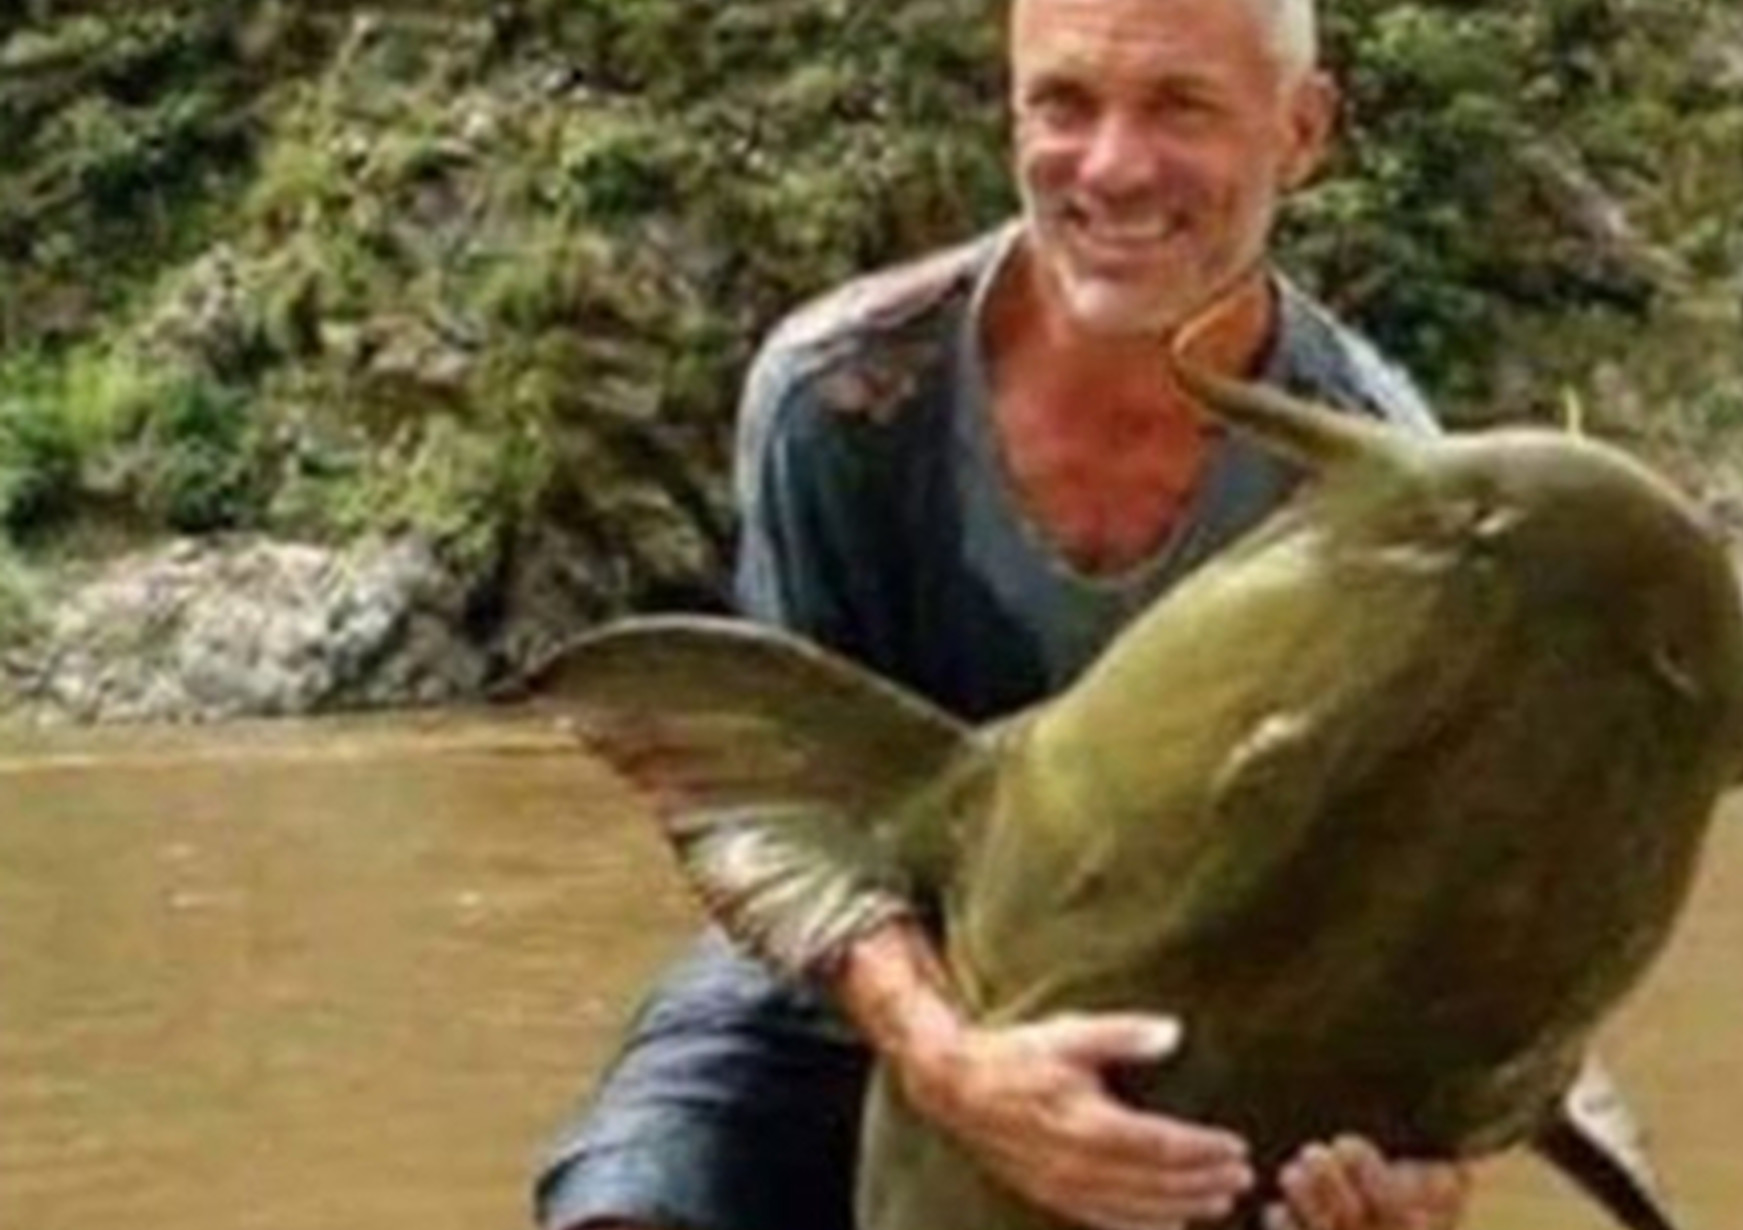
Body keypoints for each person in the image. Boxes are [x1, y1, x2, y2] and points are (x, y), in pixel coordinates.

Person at [534, 1, 1476, 1227]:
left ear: (1300, 132)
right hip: (868, 962)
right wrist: (949, 1063)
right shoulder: (847, 397)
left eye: (1180, 107)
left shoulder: (1390, 494)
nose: (1113, 168)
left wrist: (1415, 1159)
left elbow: (1408, 904)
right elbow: (796, 813)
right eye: (1064, 105)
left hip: (1194, 1001)